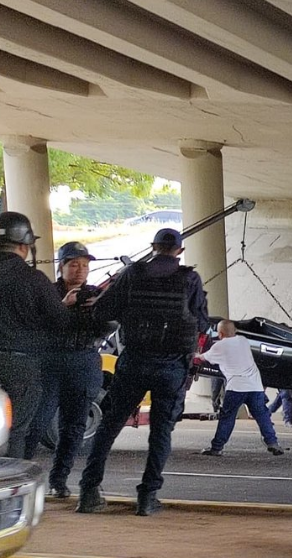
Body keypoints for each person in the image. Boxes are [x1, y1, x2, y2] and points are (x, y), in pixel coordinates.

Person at [79, 228, 209, 516]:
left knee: (109, 427)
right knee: (161, 433)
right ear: (179, 251)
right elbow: (201, 322)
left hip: (134, 361)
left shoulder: (132, 274)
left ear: (153, 247)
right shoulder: (190, 279)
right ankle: (147, 498)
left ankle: (88, 492)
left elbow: (102, 312)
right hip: (172, 366)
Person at [0, 212, 74, 459]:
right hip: (21, 365)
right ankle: (11, 490)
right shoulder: (33, 279)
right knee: (17, 431)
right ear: (24, 245)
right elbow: (60, 322)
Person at [37, 242, 106, 497]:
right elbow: (36, 325)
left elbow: (107, 327)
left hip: (83, 361)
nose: (80, 270)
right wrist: (63, 305)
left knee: (74, 427)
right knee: (38, 420)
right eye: (74, 264)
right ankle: (23, 480)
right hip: (51, 363)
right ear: (61, 267)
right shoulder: (47, 293)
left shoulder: (95, 294)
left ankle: (59, 480)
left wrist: (102, 309)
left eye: (85, 265)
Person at [198, 320, 285, 457]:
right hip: (255, 386)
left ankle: (217, 448)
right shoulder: (243, 340)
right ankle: (273, 443)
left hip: (236, 387)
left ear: (220, 334)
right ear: (235, 332)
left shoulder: (219, 346)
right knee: (262, 416)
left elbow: (202, 358)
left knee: (228, 417)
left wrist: (191, 355)